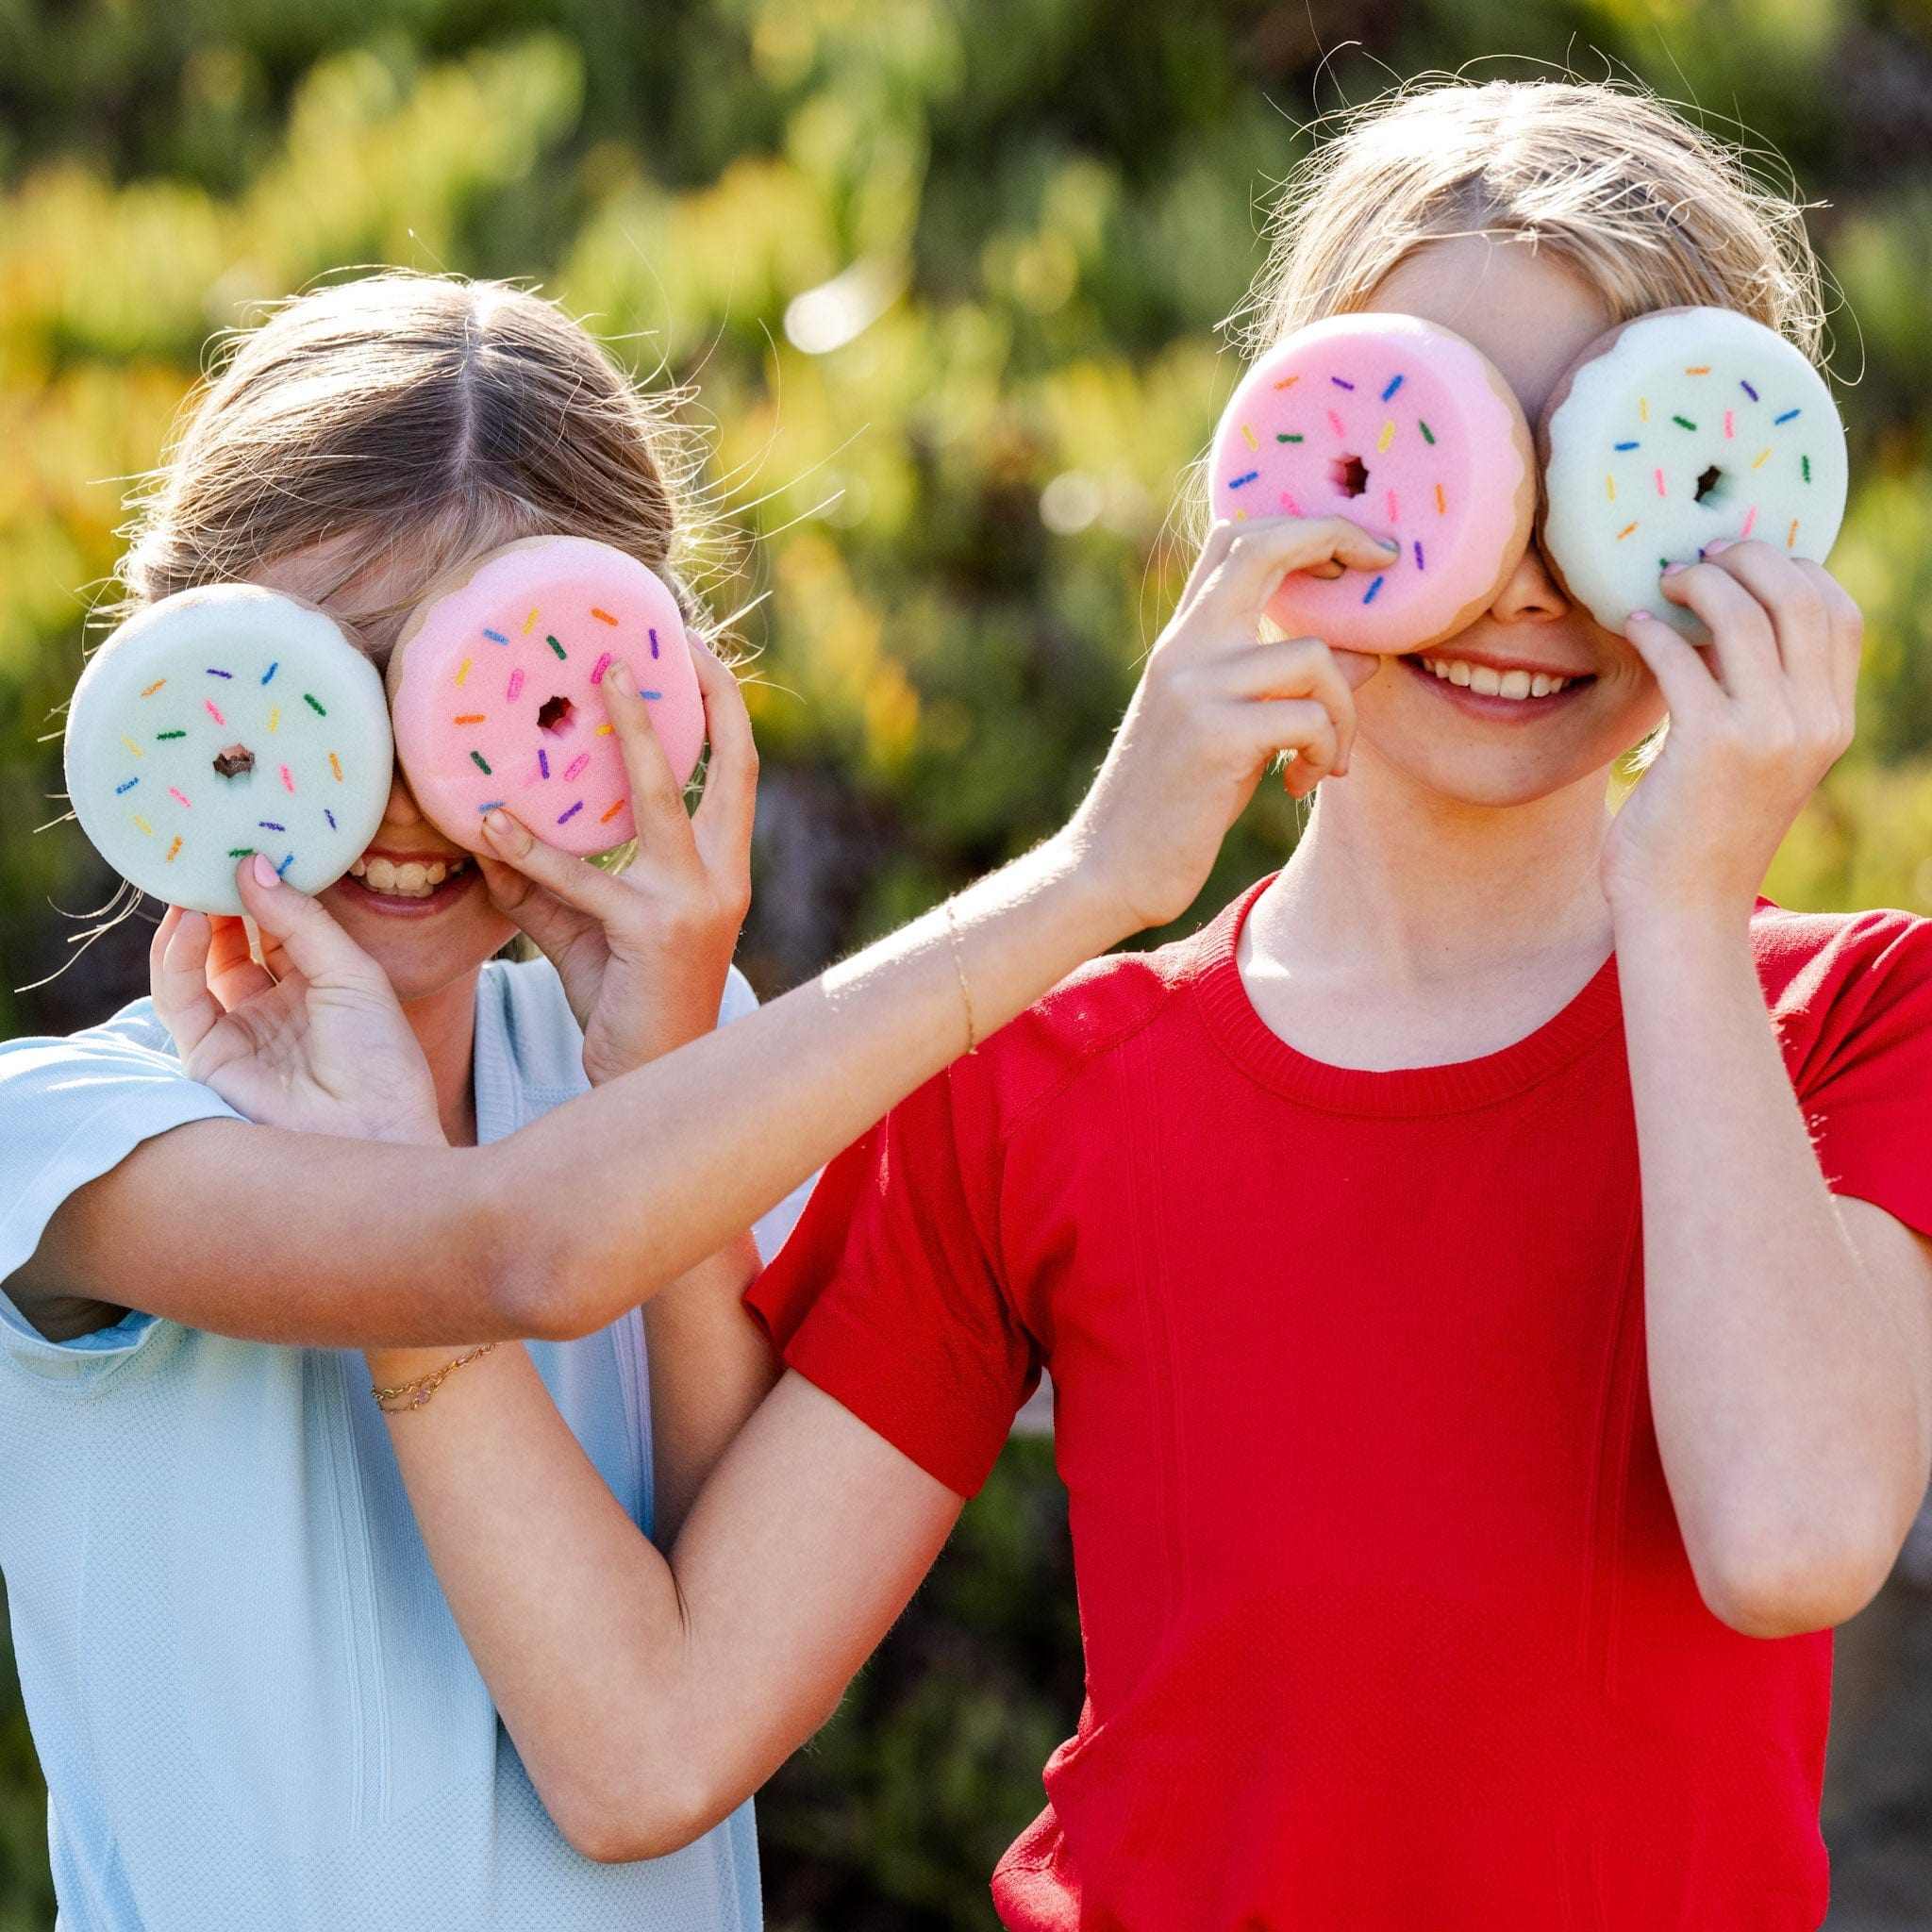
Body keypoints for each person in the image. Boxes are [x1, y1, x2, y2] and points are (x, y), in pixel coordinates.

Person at [351, 79, 1932, 1929]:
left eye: (1605, 478)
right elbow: (659, 1736)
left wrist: (1678, 884)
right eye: (1418, 451)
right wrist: (412, 1198)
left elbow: (1790, 1536)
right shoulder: (1041, 1087)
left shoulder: (1847, 1016)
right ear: (1267, 468)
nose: (1506, 577)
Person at [0, 271, 1374, 1929]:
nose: (411, 793)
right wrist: (1089, 881)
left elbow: (702, 1671)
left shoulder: (657, 1088)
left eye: (498, 698)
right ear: (177, 675)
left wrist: (667, 1047)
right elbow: (510, 1250)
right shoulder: (71, 1146)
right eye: (323, 685)